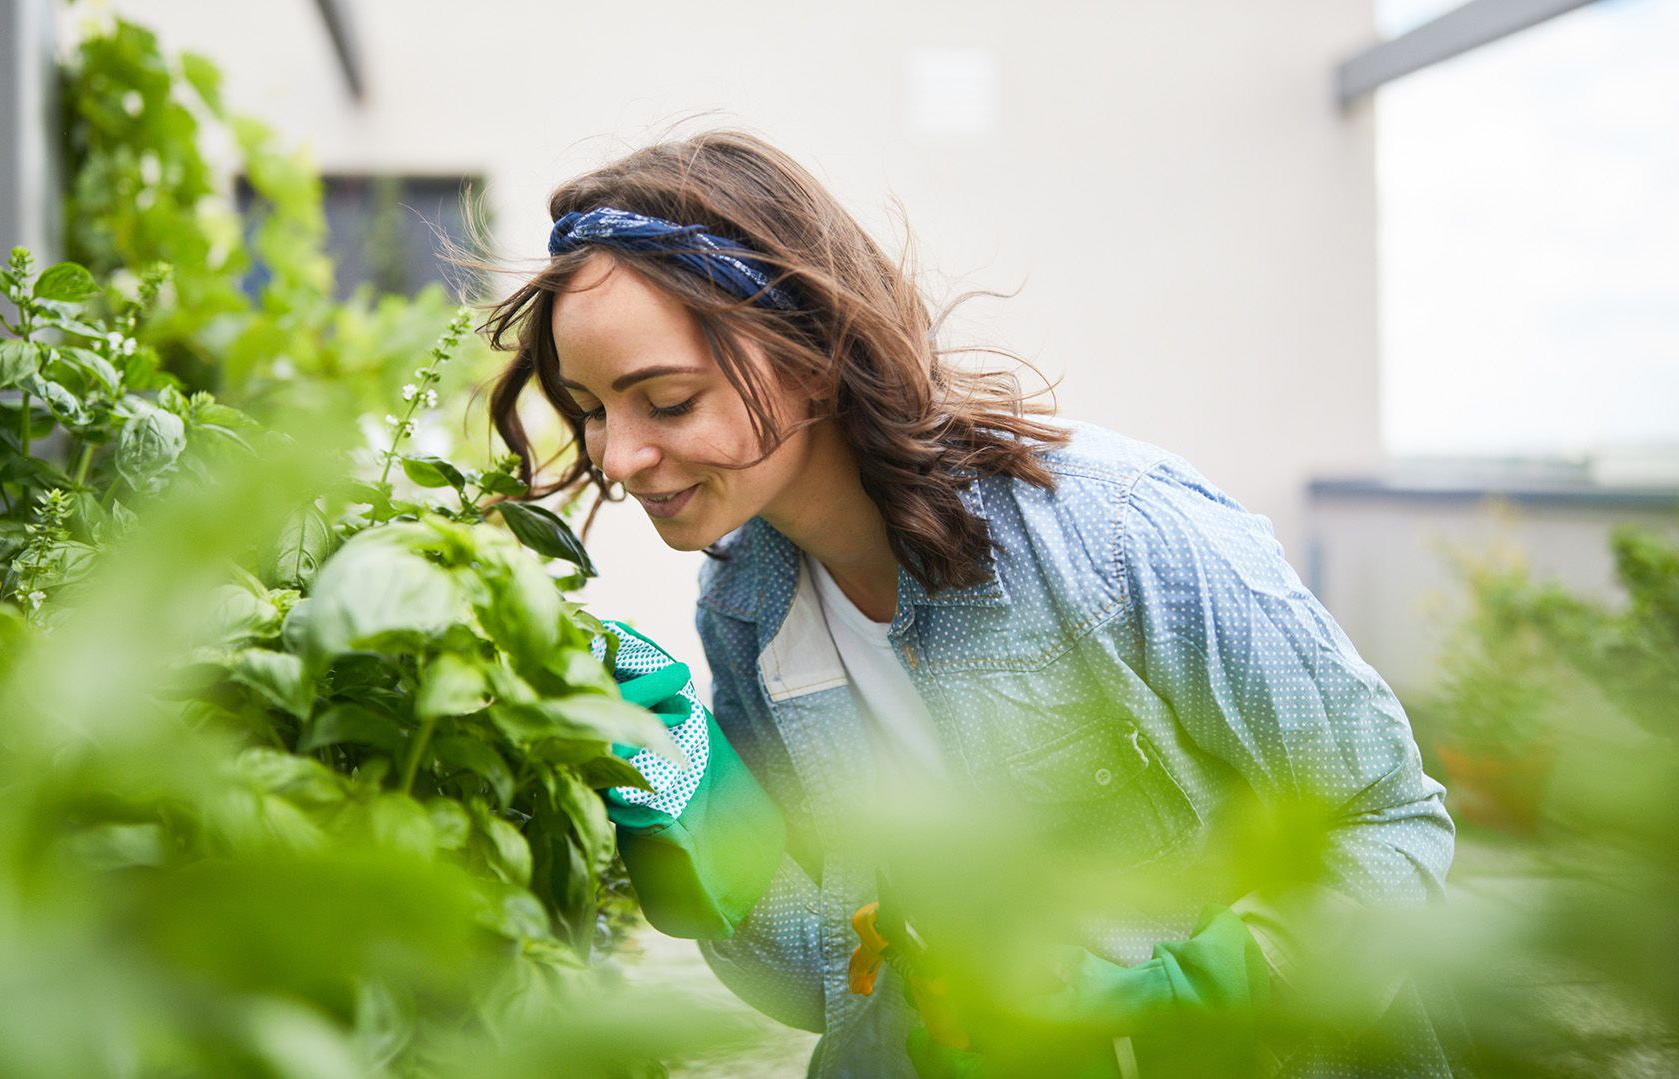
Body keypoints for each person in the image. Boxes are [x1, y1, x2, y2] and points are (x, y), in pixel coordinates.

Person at [475, 129, 1456, 1077]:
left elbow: (1389, 821)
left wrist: (1199, 986)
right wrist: (700, 811)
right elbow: (829, 981)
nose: (617, 456)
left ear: (808, 349)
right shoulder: (744, 610)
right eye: (594, 408)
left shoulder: (1113, 533)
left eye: (670, 400)